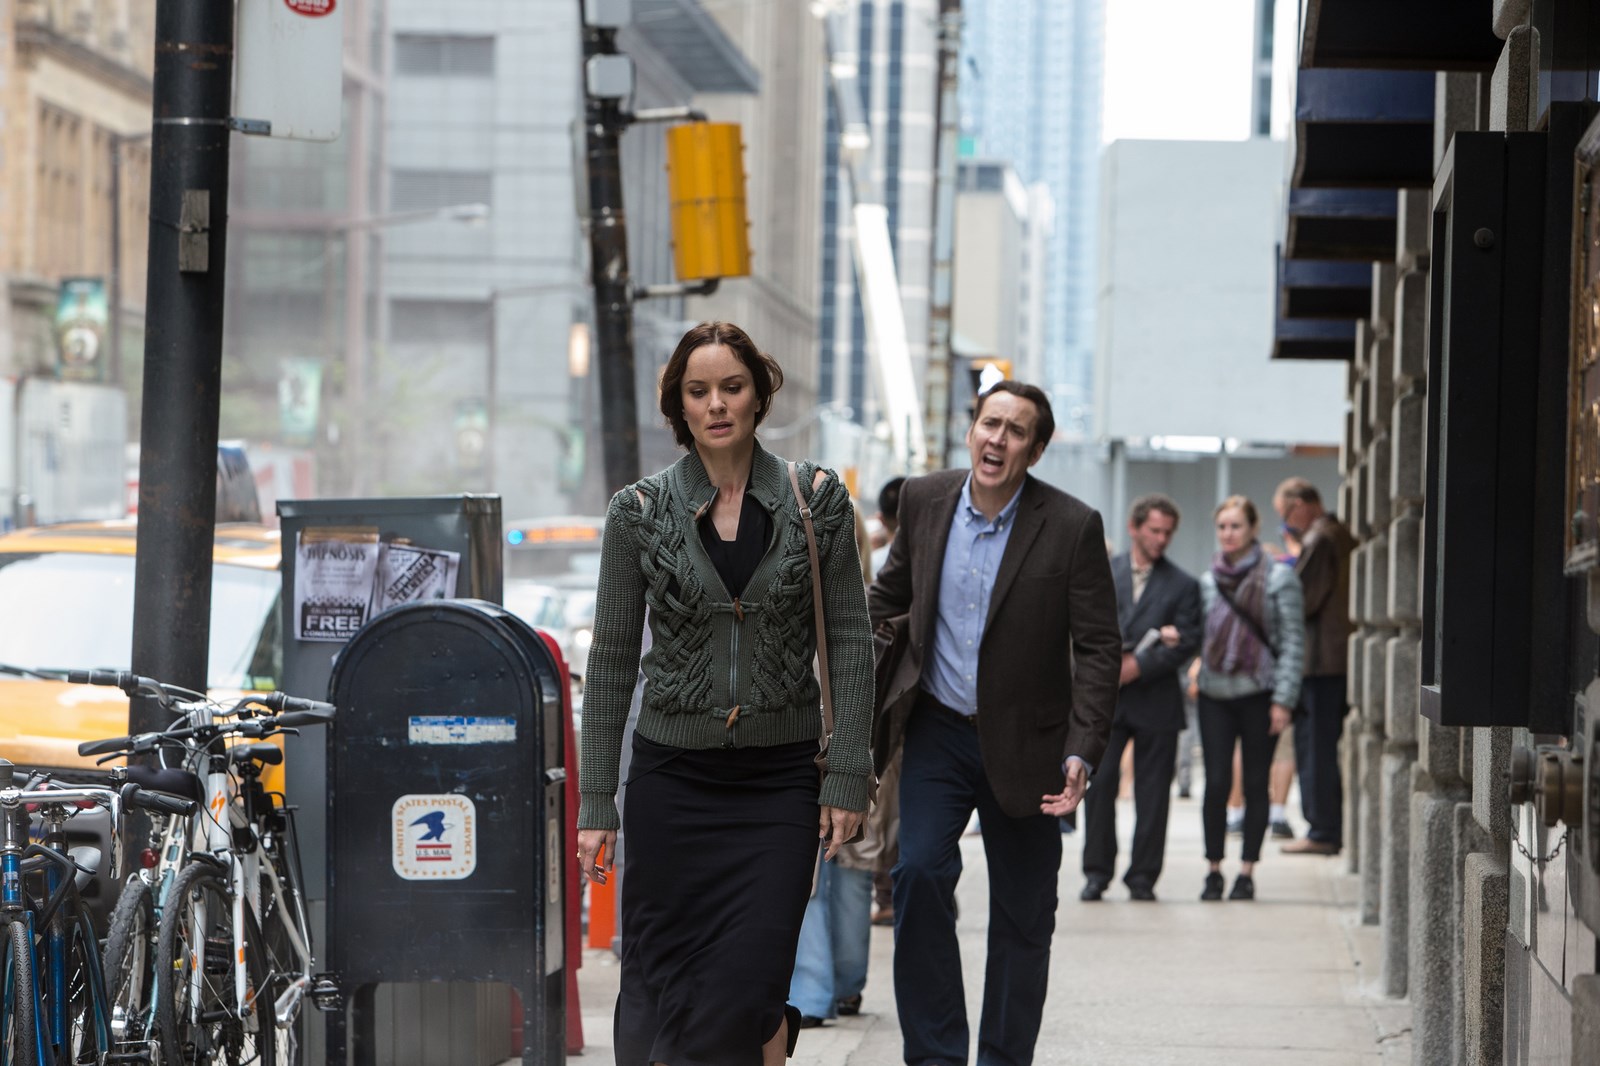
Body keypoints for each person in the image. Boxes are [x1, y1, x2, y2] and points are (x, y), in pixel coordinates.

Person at [576, 321, 874, 1066]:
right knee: (660, 985)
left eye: (731, 387)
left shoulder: (817, 501)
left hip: (777, 785)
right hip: (672, 782)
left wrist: (846, 775)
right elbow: (611, 659)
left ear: (758, 394)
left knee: (749, 981)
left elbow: (849, 645)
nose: (716, 404)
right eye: (698, 390)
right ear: (679, 405)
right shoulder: (638, 513)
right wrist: (594, 805)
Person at [868, 380, 1121, 1066]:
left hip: (1031, 744)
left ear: (1034, 450)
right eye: (989, 423)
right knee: (918, 875)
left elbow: (1100, 646)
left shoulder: (1071, 526)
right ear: (971, 428)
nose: (997, 439)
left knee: (1023, 915)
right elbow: (885, 602)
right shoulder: (923, 502)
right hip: (938, 731)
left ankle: (1004, 1058)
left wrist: (1083, 748)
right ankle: (936, 1053)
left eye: (1015, 431)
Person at [1080, 494, 1201, 902]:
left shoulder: (1184, 584)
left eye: (1168, 532)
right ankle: (1096, 872)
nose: (1162, 539)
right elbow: (1086, 628)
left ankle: (1143, 877)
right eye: (1154, 530)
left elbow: (1189, 640)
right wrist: (1124, 658)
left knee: (1153, 794)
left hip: (1156, 700)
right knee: (1098, 787)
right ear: (1134, 528)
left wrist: (1138, 665)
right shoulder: (1102, 572)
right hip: (1106, 700)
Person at [788, 507, 881, 1028]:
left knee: (817, 869)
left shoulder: (815, 599)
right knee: (854, 866)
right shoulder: (872, 604)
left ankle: (816, 988)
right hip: (867, 751)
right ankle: (845, 984)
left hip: (818, 743)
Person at [1196, 495, 1304, 902]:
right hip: (1214, 693)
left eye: (1236, 526)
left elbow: (1293, 643)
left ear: (1253, 529)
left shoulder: (1279, 578)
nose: (1228, 534)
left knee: (1257, 783)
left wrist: (1284, 700)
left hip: (1261, 694)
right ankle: (1212, 869)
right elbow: (1201, 636)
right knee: (1217, 781)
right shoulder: (1207, 580)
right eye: (1222, 526)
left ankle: (1246, 871)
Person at [1273, 477, 1356, 857]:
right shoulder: (1335, 534)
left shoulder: (1320, 538)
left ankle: (1321, 830)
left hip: (1321, 663)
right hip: (1328, 661)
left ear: (1302, 504)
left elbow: (1298, 599)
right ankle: (1321, 827)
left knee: (1314, 749)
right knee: (1316, 747)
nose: (1288, 523)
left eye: (1287, 514)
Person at [868, 475, 906, 927]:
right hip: (913, 695)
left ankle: (885, 890)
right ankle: (895, 887)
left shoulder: (876, 560)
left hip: (878, 690)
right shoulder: (932, 559)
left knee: (880, 795)